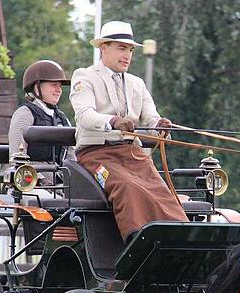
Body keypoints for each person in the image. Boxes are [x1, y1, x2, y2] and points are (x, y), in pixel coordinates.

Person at [69, 20, 187, 242]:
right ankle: (137, 244)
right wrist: (113, 121)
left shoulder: (137, 83)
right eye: (122, 48)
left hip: (134, 156)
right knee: (128, 187)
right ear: (103, 47)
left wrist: (160, 127)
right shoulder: (84, 76)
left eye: (131, 50)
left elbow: (151, 119)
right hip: (96, 154)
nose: (128, 55)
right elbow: (84, 115)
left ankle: (178, 242)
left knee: (162, 194)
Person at [7, 60, 73, 189]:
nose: (58, 90)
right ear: (36, 87)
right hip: (31, 182)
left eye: (60, 86)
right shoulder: (25, 113)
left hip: (60, 181)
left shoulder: (62, 118)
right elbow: (16, 155)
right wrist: (40, 180)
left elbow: (71, 155)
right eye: (54, 85)